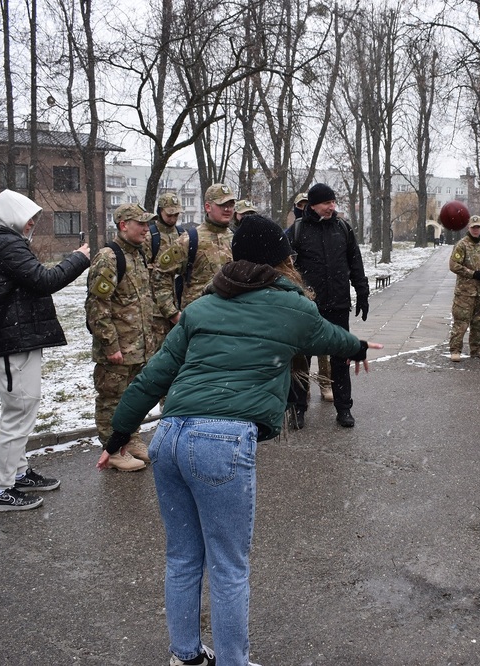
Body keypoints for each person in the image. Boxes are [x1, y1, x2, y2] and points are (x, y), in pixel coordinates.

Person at [96, 215, 380, 666]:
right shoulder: (292, 308)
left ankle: (185, 656)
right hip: (221, 442)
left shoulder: (201, 309)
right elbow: (330, 337)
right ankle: (233, 661)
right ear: (282, 258)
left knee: (183, 559)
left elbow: (153, 377)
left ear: (235, 258)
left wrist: (117, 437)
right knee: (228, 567)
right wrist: (360, 348)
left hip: (169, 436)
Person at [0, 189, 91, 511]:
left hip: (17, 340)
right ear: (14, 217)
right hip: (14, 344)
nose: (32, 224)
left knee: (21, 410)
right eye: (29, 218)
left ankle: (18, 472)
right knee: (18, 412)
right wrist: (78, 258)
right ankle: (2, 490)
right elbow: (43, 280)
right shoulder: (5, 244)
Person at [288, 183, 369, 428]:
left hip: (338, 305)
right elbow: (286, 270)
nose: (331, 207)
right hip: (307, 308)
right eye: (326, 203)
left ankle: (344, 409)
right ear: (312, 205)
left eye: (333, 202)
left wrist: (362, 292)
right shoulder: (297, 231)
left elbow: (355, 262)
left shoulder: (343, 228)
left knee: (340, 358)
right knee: (302, 359)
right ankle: (298, 409)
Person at [86, 203, 160, 472]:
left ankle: (133, 438)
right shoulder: (109, 257)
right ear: (123, 225)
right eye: (140, 223)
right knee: (111, 398)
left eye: (146, 223)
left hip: (139, 346)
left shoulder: (138, 254)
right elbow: (97, 306)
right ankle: (112, 449)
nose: (145, 228)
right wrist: (110, 345)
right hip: (117, 348)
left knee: (134, 397)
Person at [151, 184, 235, 322]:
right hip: (198, 321)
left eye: (231, 204)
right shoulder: (189, 239)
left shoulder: (235, 238)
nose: (228, 209)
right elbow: (160, 274)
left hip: (229, 320)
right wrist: (172, 314)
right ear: (208, 207)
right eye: (222, 204)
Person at [448, 215, 480, 362]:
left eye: (478, 227)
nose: (475, 230)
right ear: (469, 228)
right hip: (465, 293)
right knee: (461, 322)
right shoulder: (462, 245)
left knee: (478, 322)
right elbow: (454, 265)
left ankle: (476, 348)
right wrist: (473, 274)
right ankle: (455, 350)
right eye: (473, 227)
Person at [148, 191, 186, 348]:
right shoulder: (151, 235)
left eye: (176, 214)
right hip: (156, 307)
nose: (173, 218)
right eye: (169, 214)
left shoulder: (182, 234)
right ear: (160, 211)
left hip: (179, 301)